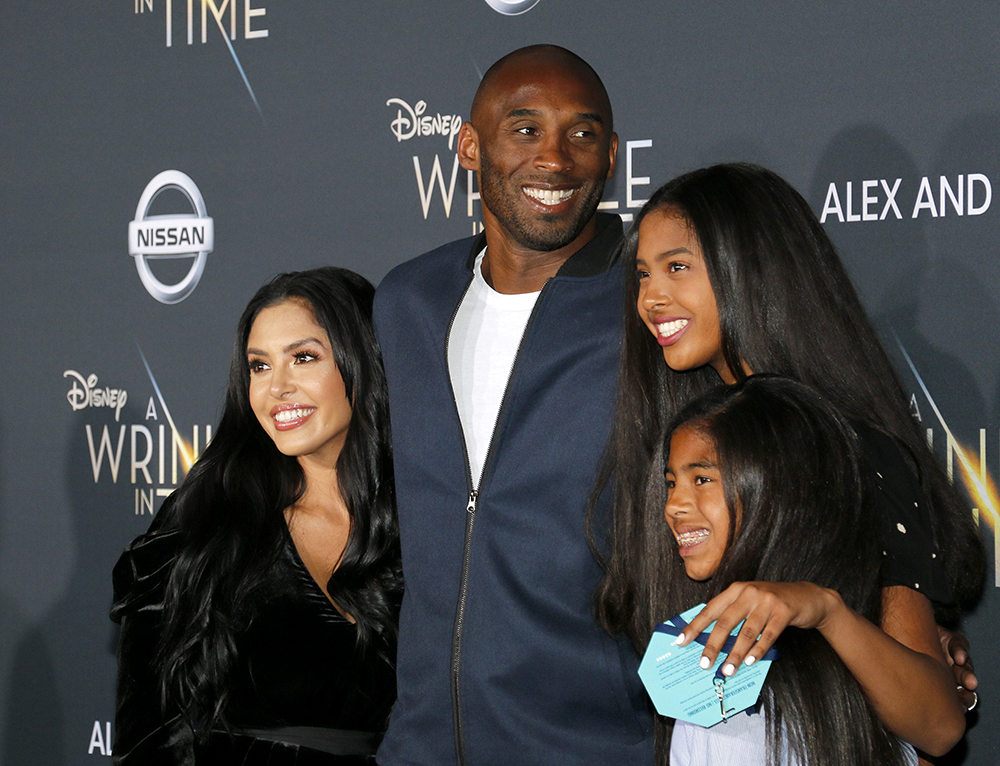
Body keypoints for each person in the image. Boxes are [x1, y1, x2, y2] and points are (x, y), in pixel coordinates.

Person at [594, 162, 985, 761]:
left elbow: (934, 722)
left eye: (677, 268)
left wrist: (831, 616)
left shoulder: (857, 454)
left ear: (749, 270)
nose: (650, 298)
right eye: (643, 274)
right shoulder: (668, 443)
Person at [373, 45, 655, 764]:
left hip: (597, 744)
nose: (556, 159)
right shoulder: (408, 302)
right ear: (470, 146)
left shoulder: (653, 305)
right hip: (424, 745)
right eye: (525, 129)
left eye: (583, 134)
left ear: (613, 155)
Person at [110, 268, 401, 765]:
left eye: (303, 358)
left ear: (363, 363)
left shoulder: (422, 525)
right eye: (259, 367)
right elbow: (150, 733)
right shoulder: (206, 521)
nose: (276, 388)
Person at [659, 375, 963, 765]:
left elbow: (939, 730)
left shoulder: (865, 665)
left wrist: (828, 612)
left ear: (774, 490)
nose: (674, 506)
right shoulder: (694, 649)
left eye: (702, 479)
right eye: (671, 483)